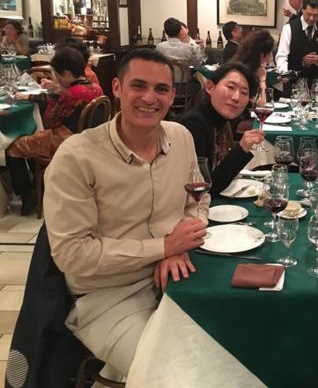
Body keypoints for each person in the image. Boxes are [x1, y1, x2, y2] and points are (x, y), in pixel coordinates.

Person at [44, 48, 208, 381]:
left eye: (161, 89)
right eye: (139, 85)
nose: (150, 98)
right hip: (107, 297)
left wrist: (178, 245)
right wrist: (163, 247)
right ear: (117, 88)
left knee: (234, 348)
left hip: (179, 279)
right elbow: (72, 254)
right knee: (178, 376)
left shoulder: (181, 138)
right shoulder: (77, 157)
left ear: (172, 96)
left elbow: (198, 201)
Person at [6, 47, 103, 215]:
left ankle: (28, 195)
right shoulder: (95, 88)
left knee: (13, 147)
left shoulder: (72, 94)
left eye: (56, 75)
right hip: (88, 139)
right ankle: (39, 187)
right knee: (32, 137)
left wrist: (55, 93)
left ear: (66, 73)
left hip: (66, 140)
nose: (55, 78)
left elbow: (49, 122)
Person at [177, 62, 265, 195]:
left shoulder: (221, 119)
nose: (236, 97)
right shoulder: (193, 125)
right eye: (230, 87)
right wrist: (242, 149)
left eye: (244, 92)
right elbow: (205, 189)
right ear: (210, 87)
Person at [275, 0, 318, 84]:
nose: (311, 18)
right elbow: (281, 56)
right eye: (308, 14)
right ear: (302, 9)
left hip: (316, 82)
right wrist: (285, 74)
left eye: (315, 15)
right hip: (293, 81)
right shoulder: (289, 28)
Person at [231, 29, 275, 102]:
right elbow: (261, 103)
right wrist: (262, 79)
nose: (271, 58)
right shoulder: (244, 73)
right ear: (261, 56)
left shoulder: (240, 65)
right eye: (270, 53)